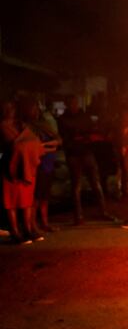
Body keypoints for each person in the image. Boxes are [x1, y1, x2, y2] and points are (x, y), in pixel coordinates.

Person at [1, 99, 57, 244]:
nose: (9, 111)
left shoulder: (22, 124)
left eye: (11, 107)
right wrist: (38, 147)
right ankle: (15, 233)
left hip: (27, 168)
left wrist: (40, 147)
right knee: (11, 202)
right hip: (11, 168)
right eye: (6, 108)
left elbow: (31, 142)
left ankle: (28, 229)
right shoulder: (2, 126)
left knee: (26, 200)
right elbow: (17, 146)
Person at [58, 95, 113, 225]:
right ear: (67, 104)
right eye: (72, 103)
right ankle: (78, 216)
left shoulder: (84, 117)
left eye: (76, 103)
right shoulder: (63, 120)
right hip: (74, 155)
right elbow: (65, 139)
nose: (75, 105)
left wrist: (87, 136)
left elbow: (92, 131)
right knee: (76, 186)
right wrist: (78, 137)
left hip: (87, 153)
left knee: (96, 184)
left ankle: (103, 212)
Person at [19, 97, 62, 233]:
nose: (36, 111)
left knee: (44, 196)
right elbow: (33, 146)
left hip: (48, 162)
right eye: (33, 108)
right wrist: (47, 146)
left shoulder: (42, 124)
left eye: (36, 108)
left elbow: (58, 140)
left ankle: (44, 222)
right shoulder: (25, 126)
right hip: (38, 164)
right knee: (36, 197)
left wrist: (46, 145)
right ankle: (32, 224)